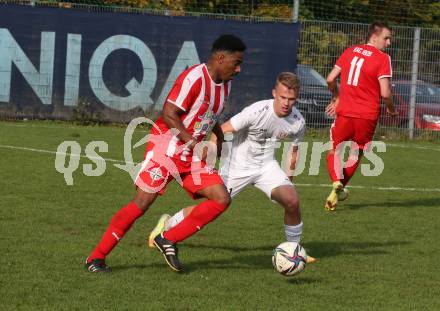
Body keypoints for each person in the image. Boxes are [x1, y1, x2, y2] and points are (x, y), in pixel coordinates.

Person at [85, 34, 246, 273]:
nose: (239, 69)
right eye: (237, 62)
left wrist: (219, 137)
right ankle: (95, 258)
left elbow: (208, 114)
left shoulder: (226, 83)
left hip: (190, 155)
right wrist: (193, 143)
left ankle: (168, 238)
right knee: (141, 204)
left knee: (221, 198)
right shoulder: (194, 78)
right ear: (221, 58)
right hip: (166, 147)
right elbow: (169, 113)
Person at [148, 72, 316, 263]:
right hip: (237, 167)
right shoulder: (256, 112)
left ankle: (293, 251)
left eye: (291, 99)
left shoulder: (298, 122)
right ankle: (167, 224)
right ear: (274, 94)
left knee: (292, 201)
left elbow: (294, 152)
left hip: (266, 167)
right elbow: (221, 130)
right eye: (283, 97)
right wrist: (210, 155)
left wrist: (288, 182)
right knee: (212, 206)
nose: (286, 103)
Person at [324, 21, 398, 211]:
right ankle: (339, 188)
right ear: (374, 37)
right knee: (356, 153)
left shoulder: (350, 51)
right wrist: (391, 109)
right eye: (386, 38)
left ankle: (335, 183)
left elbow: (330, 79)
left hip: (345, 112)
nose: (388, 42)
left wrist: (337, 97)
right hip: (367, 115)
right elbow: (385, 94)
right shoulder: (383, 59)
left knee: (335, 151)